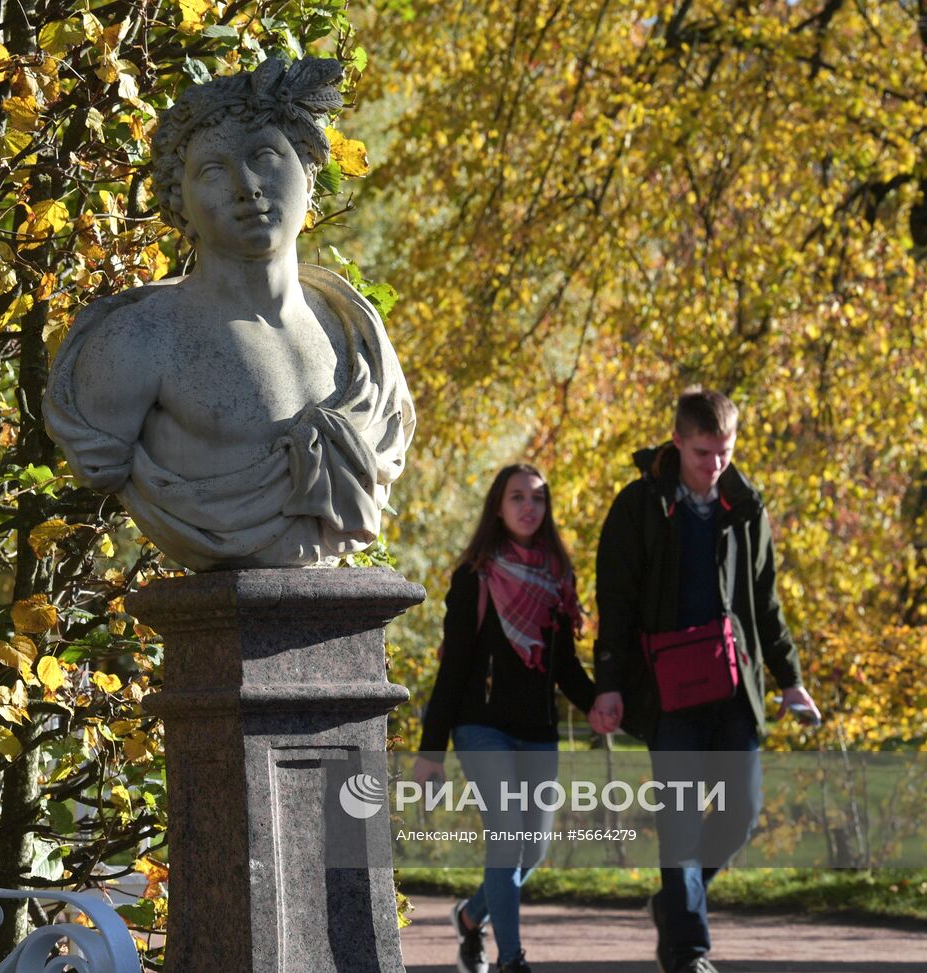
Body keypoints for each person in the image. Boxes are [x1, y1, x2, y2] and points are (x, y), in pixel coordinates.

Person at [43, 57, 415, 571]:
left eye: (265, 156)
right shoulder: (136, 341)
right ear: (180, 201)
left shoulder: (358, 336)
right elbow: (99, 465)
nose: (246, 185)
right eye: (213, 171)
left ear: (308, 175)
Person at [587, 388, 822, 973]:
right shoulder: (637, 506)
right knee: (682, 816)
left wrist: (790, 679)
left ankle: (673, 902)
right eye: (702, 453)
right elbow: (613, 601)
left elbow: (765, 603)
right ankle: (689, 951)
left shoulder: (746, 507)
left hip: (734, 687)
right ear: (676, 441)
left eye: (724, 452)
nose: (715, 465)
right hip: (667, 691)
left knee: (741, 810)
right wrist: (610, 682)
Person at [415, 464, 597, 973]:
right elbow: (452, 670)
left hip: (538, 732)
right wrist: (432, 753)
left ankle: (472, 918)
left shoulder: (556, 578)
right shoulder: (474, 577)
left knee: (532, 851)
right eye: (516, 497)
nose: (527, 507)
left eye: (537, 499)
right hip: (480, 727)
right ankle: (511, 959)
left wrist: (598, 704)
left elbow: (563, 667)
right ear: (498, 506)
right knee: (507, 835)